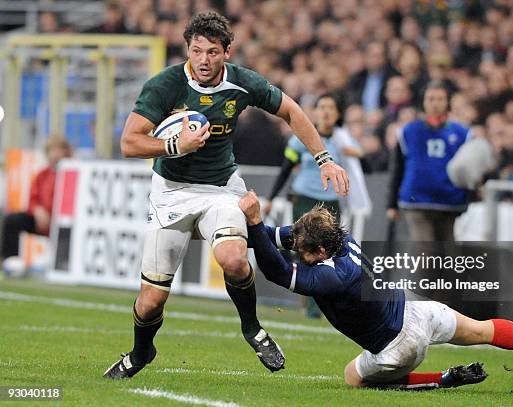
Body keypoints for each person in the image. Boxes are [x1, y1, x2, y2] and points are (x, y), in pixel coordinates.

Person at [103, 12, 349, 379]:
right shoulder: (165, 84)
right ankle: (140, 354)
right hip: (171, 193)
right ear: (187, 49)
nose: (203, 60)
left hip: (221, 188)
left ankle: (252, 328)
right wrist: (175, 144)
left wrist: (324, 157)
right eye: (196, 50)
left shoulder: (242, 83)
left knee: (233, 260)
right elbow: (129, 142)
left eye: (212, 52)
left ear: (226, 53)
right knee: (152, 300)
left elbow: (291, 111)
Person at [238, 191, 513, 389]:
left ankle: (439, 379)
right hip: (420, 312)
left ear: (322, 252)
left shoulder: (334, 276)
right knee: (484, 329)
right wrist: (246, 226)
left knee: (352, 379)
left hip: (399, 347)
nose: (299, 253)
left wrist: (253, 224)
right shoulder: (343, 239)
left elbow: (277, 270)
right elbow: (282, 237)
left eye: (304, 252)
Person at [263, 93, 364, 318]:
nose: (326, 111)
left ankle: (323, 304)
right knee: (306, 249)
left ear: (337, 114)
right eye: (322, 107)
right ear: (316, 112)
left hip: (331, 203)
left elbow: (363, 162)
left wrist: (358, 154)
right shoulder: (304, 138)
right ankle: (310, 305)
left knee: (330, 253)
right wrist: (270, 198)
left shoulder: (343, 140)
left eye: (331, 107)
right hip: (304, 199)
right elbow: (286, 167)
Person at [387, 81, 470, 242]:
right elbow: (397, 168)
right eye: (430, 99)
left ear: (448, 102)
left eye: (440, 99)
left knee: (447, 253)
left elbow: (467, 171)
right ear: (423, 102)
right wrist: (391, 203)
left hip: (449, 200)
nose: (435, 104)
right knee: (425, 249)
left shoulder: (462, 133)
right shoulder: (408, 132)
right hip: (417, 199)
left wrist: (468, 198)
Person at [1, 135, 72, 266]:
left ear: (66, 152)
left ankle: (64, 264)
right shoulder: (42, 175)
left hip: (64, 222)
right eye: (51, 150)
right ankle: (11, 262)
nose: (55, 154)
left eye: (58, 150)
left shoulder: (73, 173)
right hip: (42, 221)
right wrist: (37, 210)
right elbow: (32, 199)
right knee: (12, 221)